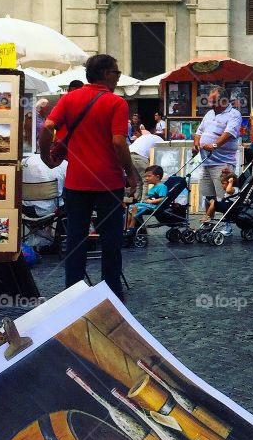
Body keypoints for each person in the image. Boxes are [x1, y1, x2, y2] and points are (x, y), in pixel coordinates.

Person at [40, 53, 138, 298]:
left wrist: (45, 157)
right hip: (108, 181)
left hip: (77, 181)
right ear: (106, 74)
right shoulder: (116, 103)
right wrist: (131, 172)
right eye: (116, 73)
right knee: (111, 240)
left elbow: (48, 127)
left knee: (75, 239)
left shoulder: (70, 98)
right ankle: (110, 292)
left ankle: (72, 293)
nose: (117, 77)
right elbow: (118, 141)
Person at [194, 86, 243, 209]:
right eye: (210, 101)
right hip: (206, 162)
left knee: (224, 196)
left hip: (222, 163)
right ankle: (209, 222)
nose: (211, 105)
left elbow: (230, 133)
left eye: (214, 102)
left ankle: (225, 226)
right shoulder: (209, 114)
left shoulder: (234, 114)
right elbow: (199, 131)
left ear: (224, 100)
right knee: (208, 195)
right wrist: (196, 144)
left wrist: (214, 145)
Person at [126, 165, 167, 232]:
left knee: (134, 207)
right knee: (129, 208)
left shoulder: (162, 187)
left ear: (157, 177)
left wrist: (151, 201)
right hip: (148, 205)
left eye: (149, 176)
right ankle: (126, 227)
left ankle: (131, 226)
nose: (146, 178)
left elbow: (163, 199)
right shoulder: (153, 187)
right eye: (146, 176)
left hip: (154, 206)